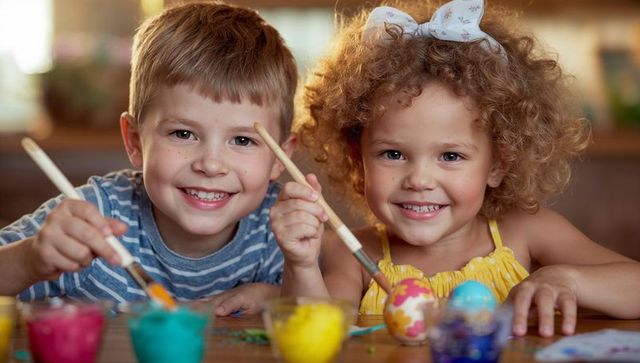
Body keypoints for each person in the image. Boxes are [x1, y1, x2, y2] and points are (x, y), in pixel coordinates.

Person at [270, 0, 640, 337]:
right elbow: (319, 333)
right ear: (358, 157)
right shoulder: (353, 252)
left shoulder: (526, 231)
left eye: (450, 156)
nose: (419, 180)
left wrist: (567, 279)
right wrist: (301, 264)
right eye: (393, 154)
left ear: (498, 164)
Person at [0, 1, 298, 317]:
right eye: (183, 134)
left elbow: (324, 314)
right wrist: (30, 258)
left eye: (242, 140)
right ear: (135, 140)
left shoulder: (279, 226)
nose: (211, 165)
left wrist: (278, 295)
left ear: (280, 157)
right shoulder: (94, 216)